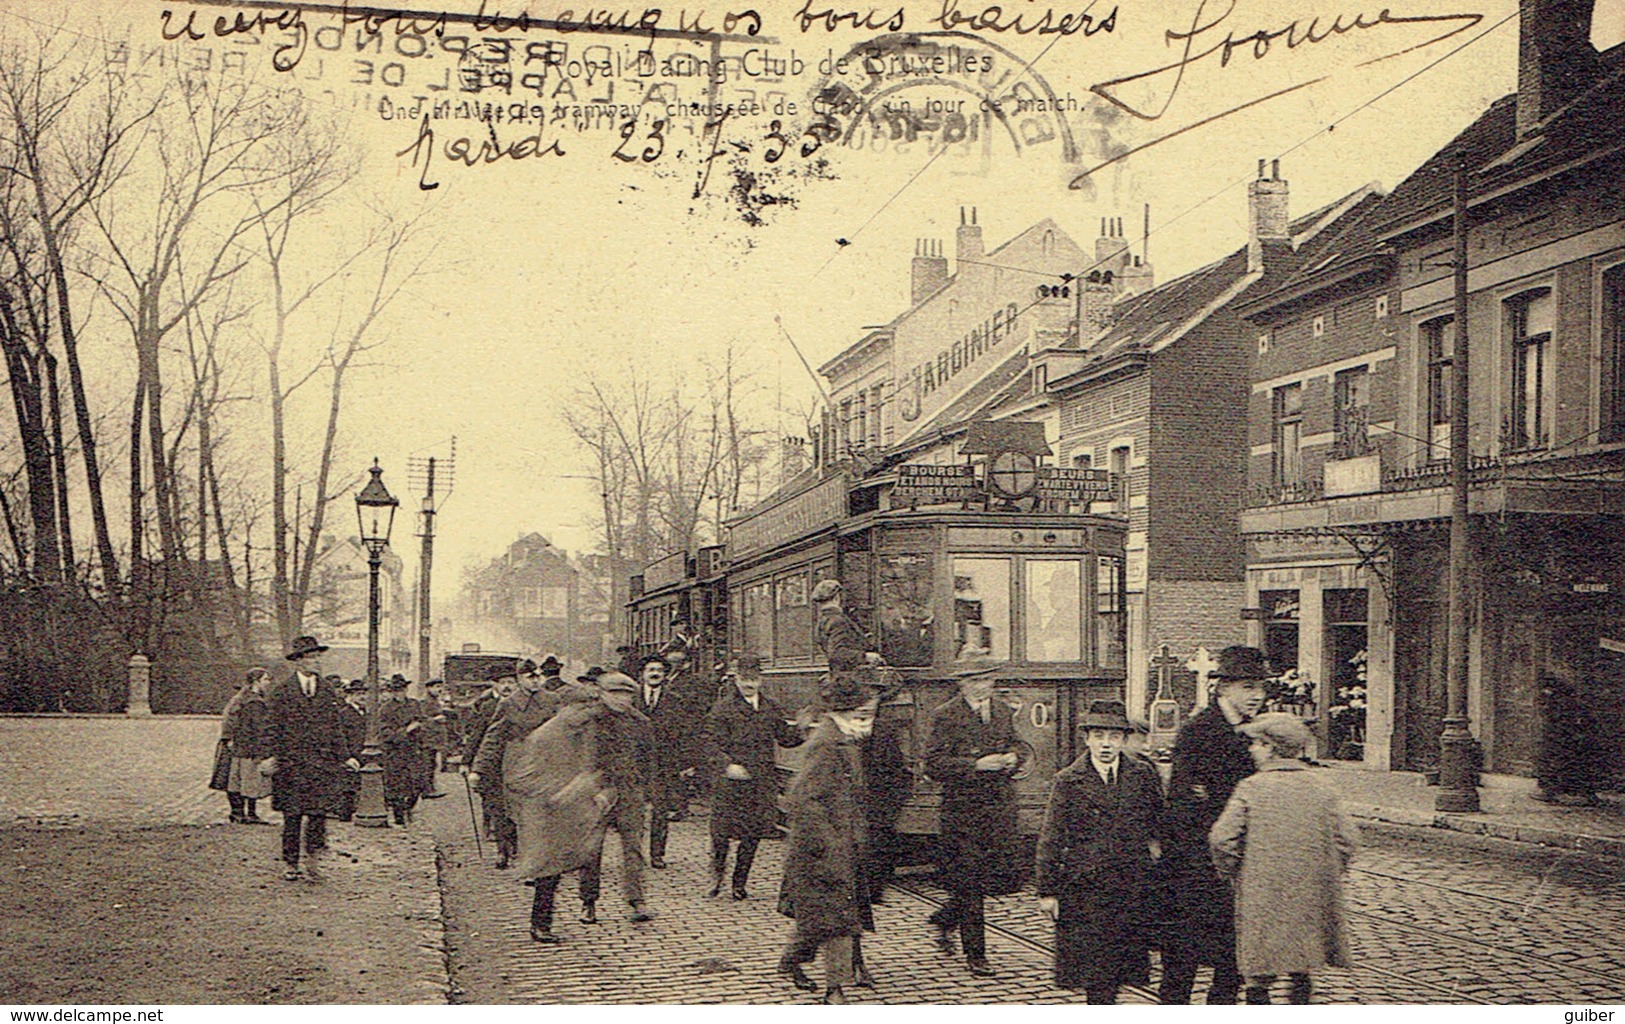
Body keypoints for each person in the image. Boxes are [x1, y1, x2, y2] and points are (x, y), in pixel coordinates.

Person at [1209, 712, 1358, 1005]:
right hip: (1310, 891)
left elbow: (1221, 839)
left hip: (1260, 890)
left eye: (1256, 743)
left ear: (1270, 747)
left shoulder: (1252, 787)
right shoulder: (1322, 787)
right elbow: (1348, 839)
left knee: (1259, 968)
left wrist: (1233, 871)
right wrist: (1327, 869)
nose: (1251, 749)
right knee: (1301, 964)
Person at [1158, 644, 1269, 1004]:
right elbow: (1183, 804)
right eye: (1247, 688)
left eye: (1259, 688)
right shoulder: (1199, 731)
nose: (1257, 696)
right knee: (1182, 962)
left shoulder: (1260, 732)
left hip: (1241, 868)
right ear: (1223, 688)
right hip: (1196, 867)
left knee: (1232, 964)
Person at [507, 670, 652, 942]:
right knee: (573, 856)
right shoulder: (554, 732)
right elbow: (525, 774)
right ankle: (577, 906)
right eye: (578, 707)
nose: (583, 713)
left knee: (627, 849)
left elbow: (640, 759)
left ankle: (634, 901)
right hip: (563, 803)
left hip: (611, 793)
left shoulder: (620, 724)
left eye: (627, 694)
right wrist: (564, 791)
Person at [1035, 700, 1163, 1004]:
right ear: (1087, 738)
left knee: (1121, 971)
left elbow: (1159, 825)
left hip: (1130, 887)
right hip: (1086, 890)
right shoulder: (1068, 780)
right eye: (1099, 736)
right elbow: (1051, 837)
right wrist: (1047, 891)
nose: (1106, 744)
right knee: (1097, 976)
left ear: (1124, 739)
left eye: (1114, 737)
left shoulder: (1142, 775)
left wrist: (1157, 860)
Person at [777, 673, 879, 1004]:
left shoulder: (844, 739)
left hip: (841, 844)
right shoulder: (826, 744)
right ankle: (834, 991)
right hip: (820, 850)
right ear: (845, 712)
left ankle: (792, 959)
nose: (868, 721)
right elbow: (803, 801)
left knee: (826, 920)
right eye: (863, 714)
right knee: (838, 922)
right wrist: (829, 845)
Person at [810, 579, 907, 903]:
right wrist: (867, 654)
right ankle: (870, 882)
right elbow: (840, 656)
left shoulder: (825, 620)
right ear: (837, 596)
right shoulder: (836, 620)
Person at [924, 662, 1023, 978]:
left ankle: (945, 918)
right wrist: (975, 764)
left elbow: (1015, 743)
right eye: (976, 681)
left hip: (998, 808)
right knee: (971, 882)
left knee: (998, 876)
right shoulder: (946, 715)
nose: (983, 687)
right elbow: (933, 764)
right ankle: (976, 955)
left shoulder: (1003, 711)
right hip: (963, 811)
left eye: (988, 680)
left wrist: (1013, 757)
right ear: (962, 684)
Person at [704, 653, 805, 900]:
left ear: (761, 680)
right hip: (730, 782)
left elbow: (785, 738)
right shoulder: (723, 708)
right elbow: (709, 743)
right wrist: (727, 765)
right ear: (736, 679)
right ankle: (717, 876)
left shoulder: (770, 707)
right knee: (721, 833)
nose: (749, 684)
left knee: (752, 833)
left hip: (760, 781)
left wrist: (803, 728)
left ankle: (740, 883)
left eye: (754, 679)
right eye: (744, 679)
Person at [262, 636, 359, 881]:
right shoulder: (282, 691)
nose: (317, 662)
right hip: (291, 763)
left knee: (318, 813)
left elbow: (335, 726)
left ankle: (313, 858)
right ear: (298, 662)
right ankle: (290, 862)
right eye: (311, 657)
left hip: (321, 763)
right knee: (292, 815)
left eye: (318, 657)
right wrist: (268, 756)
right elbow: (271, 727)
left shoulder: (326, 690)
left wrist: (345, 756)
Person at [470, 668, 569, 870]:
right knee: (508, 811)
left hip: (545, 764)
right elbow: (493, 737)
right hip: (515, 765)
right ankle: (504, 849)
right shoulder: (508, 704)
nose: (535, 681)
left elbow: (565, 731)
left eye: (537, 677)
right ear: (520, 679)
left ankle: (535, 861)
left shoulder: (553, 701)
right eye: (530, 677)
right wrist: (478, 768)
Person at [636, 655, 697, 869]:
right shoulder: (631, 700)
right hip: (635, 765)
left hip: (663, 764)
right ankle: (634, 854)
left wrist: (686, 763)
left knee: (660, 811)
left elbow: (684, 734)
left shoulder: (675, 701)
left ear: (665, 675)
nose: (654, 673)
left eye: (659, 670)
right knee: (633, 811)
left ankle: (657, 854)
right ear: (642, 674)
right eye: (650, 669)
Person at [229, 668, 274, 825]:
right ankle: (250, 814)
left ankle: (238, 813)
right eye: (266, 679)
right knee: (250, 781)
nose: (268, 683)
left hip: (240, 747)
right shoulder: (255, 703)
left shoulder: (241, 698)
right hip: (251, 748)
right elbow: (258, 728)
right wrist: (264, 749)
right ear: (257, 681)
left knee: (237, 780)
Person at [379, 673, 425, 826]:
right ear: (392, 691)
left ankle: (408, 808)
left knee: (417, 783)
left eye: (403, 689)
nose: (401, 692)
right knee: (397, 785)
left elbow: (422, 721)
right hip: (395, 751)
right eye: (397, 690)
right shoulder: (385, 709)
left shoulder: (414, 704)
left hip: (414, 750)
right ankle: (399, 817)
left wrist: (420, 730)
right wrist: (406, 730)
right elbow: (386, 733)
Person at [210, 672, 251, 823]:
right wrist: (229, 739)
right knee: (230, 777)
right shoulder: (238, 700)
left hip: (245, 743)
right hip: (233, 744)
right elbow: (229, 721)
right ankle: (237, 812)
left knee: (247, 777)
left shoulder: (253, 699)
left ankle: (247, 812)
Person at [334, 679, 369, 822]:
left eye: (364, 694)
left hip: (365, 753)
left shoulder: (367, 713)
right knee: (348, 786)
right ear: (351, 696)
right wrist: (346, 756)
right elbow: (339, 736)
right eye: (358, 694)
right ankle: (345, 816)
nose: (362, 697)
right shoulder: (343, 713)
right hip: (351, 754)